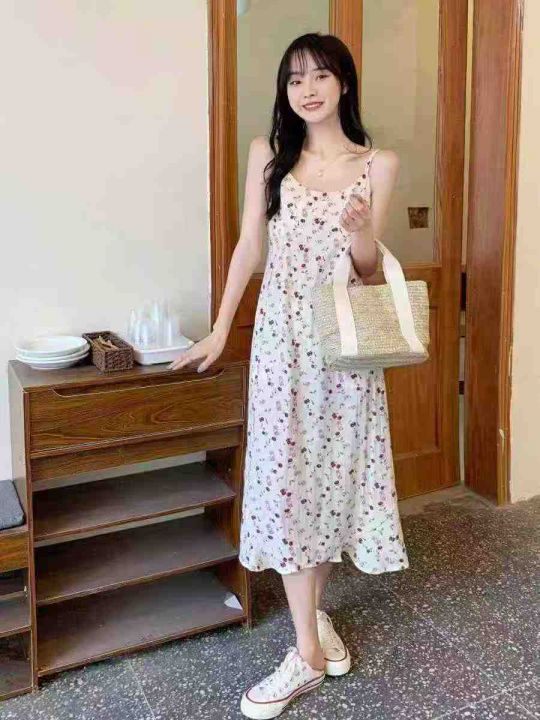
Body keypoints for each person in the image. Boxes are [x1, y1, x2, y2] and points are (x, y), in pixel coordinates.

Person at [168, 31, 409, 720]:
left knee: (331, 482)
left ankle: (311, 630)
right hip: (281, 348)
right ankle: (308, 647)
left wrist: (360, 230)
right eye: (295, 77)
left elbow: (368, 270)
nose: (307, 88)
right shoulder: (268, 155)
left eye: (321, 75)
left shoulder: (378, 163)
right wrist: (223, 328)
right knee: (287, 481)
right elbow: (250, 244)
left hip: (344, 350)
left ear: (343, 83)